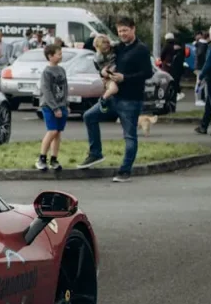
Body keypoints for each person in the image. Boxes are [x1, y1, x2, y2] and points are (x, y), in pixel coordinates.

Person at [78, 16, 153, 182]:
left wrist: (125, 78)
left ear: (133, 29)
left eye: (125, 30)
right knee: (89, 116)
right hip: (113, 97)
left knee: (129, 136)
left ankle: (125, 171)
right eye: (119, 31)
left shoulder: (141, 49)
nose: (122, 34)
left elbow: (148, 73)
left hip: (131, 100)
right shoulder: (117, 48)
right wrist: (102, 73)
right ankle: (95, 153)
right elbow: (103, 61)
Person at [36, 43, 68, 172]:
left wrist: (66, 104)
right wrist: (55, 108)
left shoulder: (61, 70)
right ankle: (42, 158)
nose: (61, 56)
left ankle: (54, 158)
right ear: (50, 56)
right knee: (52, 130)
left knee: (58, 132)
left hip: (61, 105)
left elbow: (65, 88)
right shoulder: (47, 72)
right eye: (58, 54)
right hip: (49, 106)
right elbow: (46, 91)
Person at [91, 34, 119, 110]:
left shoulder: (113, 48)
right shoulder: (98, 57)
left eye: (108, 46)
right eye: (104, 49)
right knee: (114, 89)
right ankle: (103, 99)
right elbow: (102, 70)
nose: (107, 49)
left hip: (114, 72)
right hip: (108, 77)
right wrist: (105, 73)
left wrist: (112, 43)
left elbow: (118, 43)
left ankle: (105, 99)